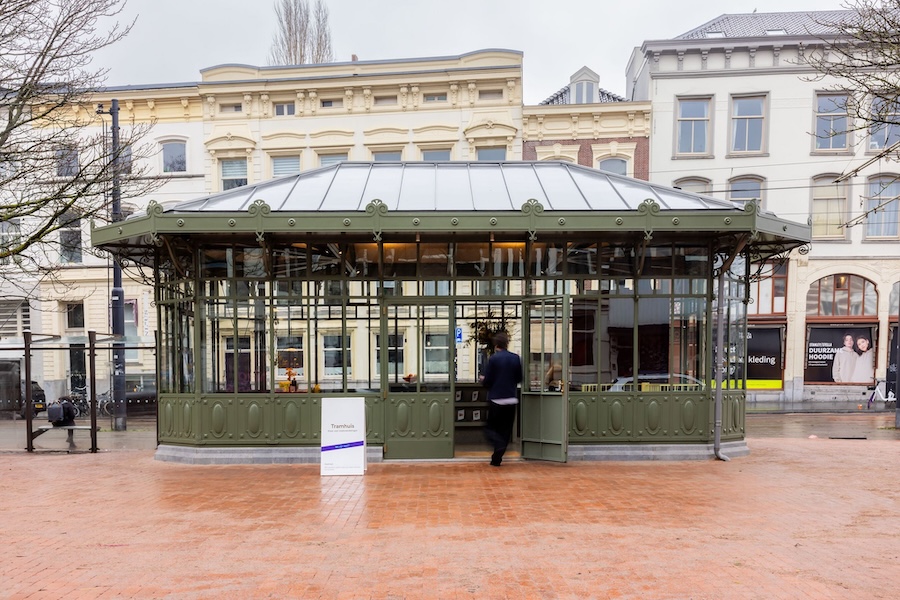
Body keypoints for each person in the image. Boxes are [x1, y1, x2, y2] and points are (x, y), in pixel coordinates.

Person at [480, 332, 522, 467]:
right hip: (511, 399)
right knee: (505, 430)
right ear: (506, 344)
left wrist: (483, 379)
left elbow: (488, 381)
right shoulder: (516, 358)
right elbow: (519, 378)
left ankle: (497, 445)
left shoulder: (493, 359)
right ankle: (496, 459)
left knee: (490, 428)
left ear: (495, 345)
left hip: (496, 399)